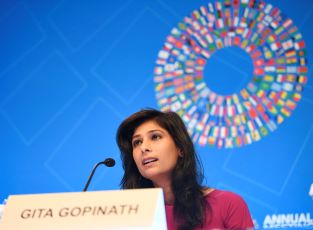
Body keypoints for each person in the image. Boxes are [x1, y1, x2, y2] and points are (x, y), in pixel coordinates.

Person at [116, 108, 254, 230]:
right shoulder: (127, 216)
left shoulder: (228, 204)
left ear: (180, 148)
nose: (143, 148)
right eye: (137, 142)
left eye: (155, 137)